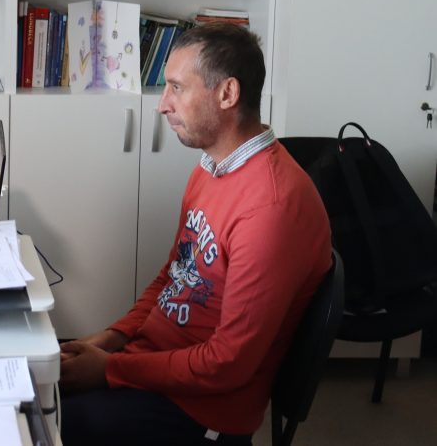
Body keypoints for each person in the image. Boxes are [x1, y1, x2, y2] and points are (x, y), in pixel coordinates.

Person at [58, 23, 332, 446]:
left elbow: (228, 364)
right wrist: (113, 338)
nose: (162, 105)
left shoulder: (271, 209)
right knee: (26, 386)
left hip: (201, 411)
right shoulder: (212, 167)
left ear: (227, 94)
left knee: (39, 422)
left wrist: (110, 369)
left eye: (177, 88)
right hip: (153, 362)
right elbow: (175, 274)